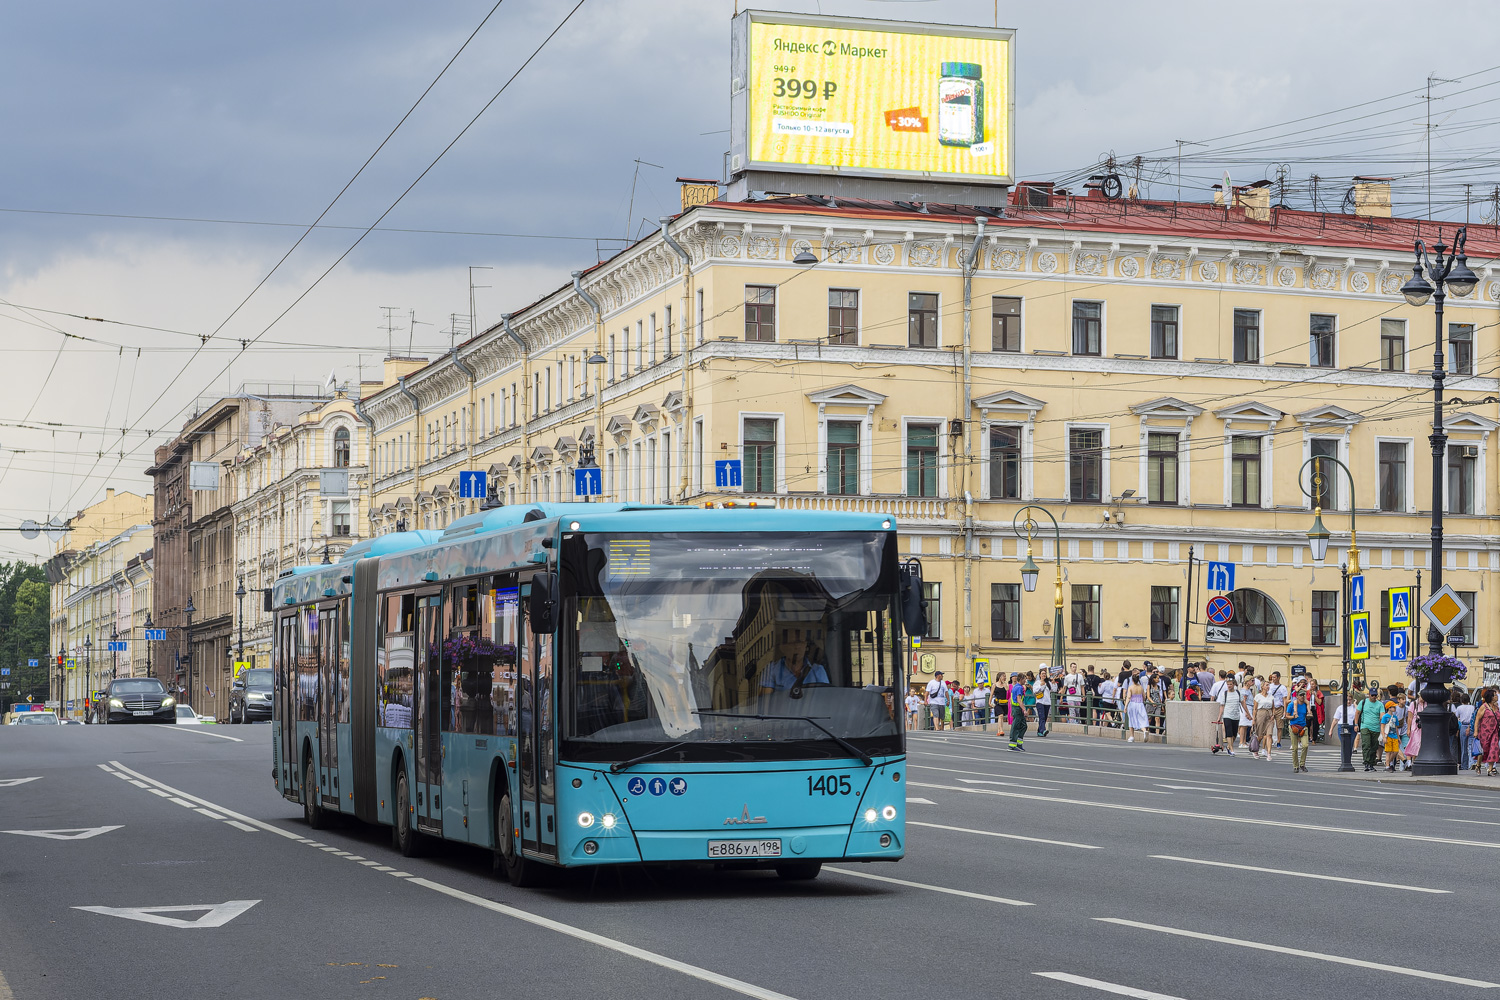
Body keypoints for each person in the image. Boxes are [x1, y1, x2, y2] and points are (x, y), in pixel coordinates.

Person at [759, 627, 830, 693]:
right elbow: (767, 698)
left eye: (800, 642)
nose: (797, 647)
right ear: (782, 647)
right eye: (792, 643)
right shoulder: (771, 670)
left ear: (806, 646)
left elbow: (824, 696)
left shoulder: (818, 670)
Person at [1212, 677, 1243, 755]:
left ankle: (1229, 746)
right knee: (1228, 732)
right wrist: (1219, 717)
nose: (1229, 686)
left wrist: (1248, 714)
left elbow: (1243, 703)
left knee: (1234, 734)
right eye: (1228, 684)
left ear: (1234, 685)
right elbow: (1222, 706)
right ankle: (1231, 749)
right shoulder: (1225, 694)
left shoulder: (1238, 693)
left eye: (1230, 684)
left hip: (1236, 715)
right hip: (1227, 715)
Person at [1355, 687, 1384, 771]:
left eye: (1375, 695)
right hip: (1365, 726)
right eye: (1372, 695)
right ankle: (1367, 762)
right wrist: (1356, 724)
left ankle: (1371, 763)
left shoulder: (1380, 704)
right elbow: (1357, 713)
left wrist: (1382, 718)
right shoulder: (1363, 702)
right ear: (1369, 695)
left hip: (1376, 728)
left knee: (1374, 747)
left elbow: (1382, 714)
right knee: (1366, 745)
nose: (1374, 697)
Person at [1285, 688, 1311, 773]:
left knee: (1305, 745)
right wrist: (1293, 717)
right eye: (1300, 695)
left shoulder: (1305, 705)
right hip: (1294, 726)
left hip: (1303, 726)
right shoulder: (1292, 705)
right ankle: (1295, 766)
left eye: (1303, 695)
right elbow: (1287, 716)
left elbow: (1309, 713)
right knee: (1295, 748)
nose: (1302, 697)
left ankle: (1302, 764)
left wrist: (1309, 715)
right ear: (1297, 696)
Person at [1476, 688, 1500, 776]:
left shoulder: (1497, 707)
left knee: (1494, 749)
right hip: (1484, 732)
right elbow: (1477, 719)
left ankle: (1490, 769)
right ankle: (1478, 765)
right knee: (1483, 750)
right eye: (1495, 695)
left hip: (1495, 732)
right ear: (1491, 697)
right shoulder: (1484, 707)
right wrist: (1475, 732)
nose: (1497, 696)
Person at [1252, 680, 1276, 761]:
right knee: (1260, 735)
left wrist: (1273, 714)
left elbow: (1273, 708)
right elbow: (1255, 709)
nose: (1268, 687)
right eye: (1266, 685)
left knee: (1269, 734)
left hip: (1269, 714)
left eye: (1269, 685)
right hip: (1260, 714)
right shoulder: (1258, 696)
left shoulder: (1271, 696)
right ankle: (1256, 750)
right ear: (1262, 687)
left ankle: (1269, 753)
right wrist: (1254, 719)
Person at [1006, 673, 1029, 751]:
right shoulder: (1019, 688)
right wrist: (1024, 710)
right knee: (1016, 726)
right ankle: (1012, 744)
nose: (1025, 681)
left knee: (1023, 726)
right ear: (1021, 679)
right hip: (1018, 708)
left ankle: (1019, 743)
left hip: (1016, 708)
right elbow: (1019, 699)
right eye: (1024, 679)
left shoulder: (1016, 686)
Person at [1124, 673, 1148, 743]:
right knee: (1141, 718)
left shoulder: (1131, 687)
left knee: (1131, 719)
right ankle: (1144, 730)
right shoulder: (1141, 687)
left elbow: (1128, 697)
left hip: (1132, 704)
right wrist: (1142, 701)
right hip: (1140, 704)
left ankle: (1132, 736)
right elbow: (1144, 696)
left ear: (1132, 680)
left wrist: (1125, 706)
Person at [1456, 690, 1476, 771]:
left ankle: (1464, 765)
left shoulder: (1459, 708)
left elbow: (1457, 717)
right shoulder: (1472, 707)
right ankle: (1472, 763)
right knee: (1471, 745)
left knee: (1463, 746)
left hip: (1463, 726)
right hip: (1471, 726)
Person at [1380, 701, 1403, 771]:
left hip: (1394, 736)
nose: (1395, 708)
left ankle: (1388, 762)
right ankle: (1387, 765)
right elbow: (1382, 727)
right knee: (1388, 751)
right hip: (1388, 736)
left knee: (1395, 751)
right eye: (1393, 707)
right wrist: (1384, 737)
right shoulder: (1385, 716)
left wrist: (1398, 737)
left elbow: (1396, 728)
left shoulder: (1395, 717)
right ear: (1389, 708)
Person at [1033, 665, 1053, 737]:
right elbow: (1035, 691)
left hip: (1047, 702)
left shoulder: (1048, 683)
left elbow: (1053, 690)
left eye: (1045, 674)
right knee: (1041, 716)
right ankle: (1043, 730)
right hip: (1040, 701)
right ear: (1040, 675)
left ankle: (1039, 731)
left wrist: (1053, 683)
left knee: (1044, 717)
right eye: (1042, 674)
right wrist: (1041, 686)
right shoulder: (1037, 683)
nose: (1044, 675)